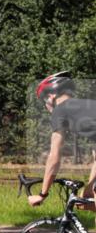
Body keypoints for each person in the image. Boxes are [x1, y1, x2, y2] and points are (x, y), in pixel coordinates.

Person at [28, 71, 96, 210]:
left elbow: (54, 157)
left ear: (51, 96)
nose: (45, 107)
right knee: (86, 202)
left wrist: (42, 194)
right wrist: (90, 186)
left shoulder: (60, 110)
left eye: (44, 102)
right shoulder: (86, 107)